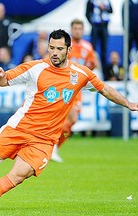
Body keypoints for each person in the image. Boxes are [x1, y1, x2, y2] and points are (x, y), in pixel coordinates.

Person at [0, 29, 138, 211]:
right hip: (18, 129)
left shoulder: (81, 74)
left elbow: (105, 89)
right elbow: (4, 80)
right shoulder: (35, 68)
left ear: (68, 50)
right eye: (51, 48)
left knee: (17, 176)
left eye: (59, 49)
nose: (54, 53)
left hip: (44, 140)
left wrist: (128, 103)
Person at [51, 18, 97, 162]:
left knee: (71, 120)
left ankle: (53, 147)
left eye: (80, 29)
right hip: (64, 86)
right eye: (75, 28)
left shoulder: (88, 47)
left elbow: (92, 64)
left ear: (83, 30)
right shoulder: (64, 46)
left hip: (77, 89)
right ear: (71, 30)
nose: (77, 31)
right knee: (68, 118)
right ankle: (52, 147)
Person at [86, 0, 113, 77]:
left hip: (104, 26)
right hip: (95, 26)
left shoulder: (106, 1)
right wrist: (92, 23)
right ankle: (91, 71)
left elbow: (111, 11)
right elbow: (87, 13)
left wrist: (104, 8)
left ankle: (105, 74)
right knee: (93, 50)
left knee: (104, 50)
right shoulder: (91, 1)